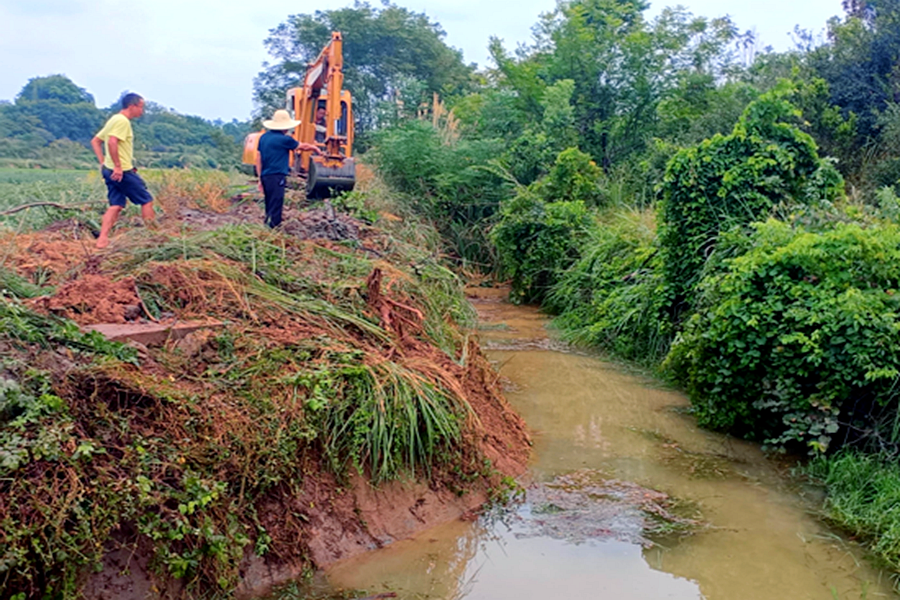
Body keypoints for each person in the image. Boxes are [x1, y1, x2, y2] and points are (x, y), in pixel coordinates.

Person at [90, 93, 154, 249]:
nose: (142, 111)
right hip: (122, 172)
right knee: (146, 200)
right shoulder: (122, 121)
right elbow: (112, 142)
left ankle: (102, 240)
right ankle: (154, 237)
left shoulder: (113, 119)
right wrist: (118, 166)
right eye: (141, 107)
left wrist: (103, 163)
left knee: (116, 204)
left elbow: (96, 141)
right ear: (132, 106)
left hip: (109, 170)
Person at [255, 109, 320, 228]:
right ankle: (274, 229)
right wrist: (315, 148)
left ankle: (267, 225)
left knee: (269, 202)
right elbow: (302, 146)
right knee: (277, 202)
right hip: (277, 175)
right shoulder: (285, 139)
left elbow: (258, 158)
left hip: (266, 175)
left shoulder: (263, 138)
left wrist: (260, 178)